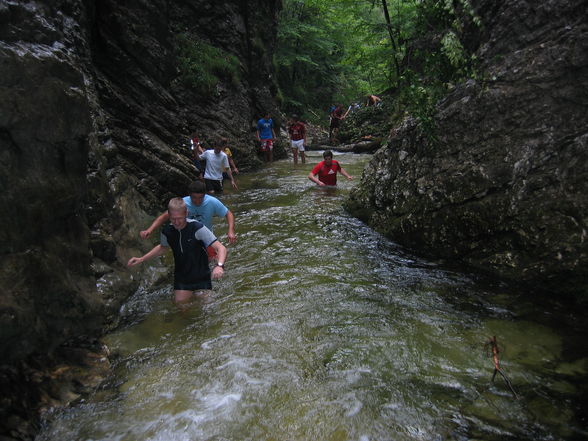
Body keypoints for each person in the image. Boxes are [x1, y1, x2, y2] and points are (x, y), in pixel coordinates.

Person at [128, 198, 227, 304]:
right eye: (173, 218)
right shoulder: (167, 231)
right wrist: (141, 259)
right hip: (182, 276)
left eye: (179, 218)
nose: (176, 222)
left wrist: (219, 266)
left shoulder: (197, 228)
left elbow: (221, 248)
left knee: (207, 308)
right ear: (169, 216)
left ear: (186, 213)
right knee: (181, 307)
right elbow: (163, 247)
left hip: (201, 275)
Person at [140, 181, 237, 258]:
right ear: (189, 195)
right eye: (194, 198)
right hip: (187, 237)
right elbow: (163, 217)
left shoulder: (212, 201)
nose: (198, 201)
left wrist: (231, 230)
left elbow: (228, 213)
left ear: (205, 195)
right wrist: (150, 230)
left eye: (201, 198)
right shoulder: (182, 204)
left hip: (206, 236)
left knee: (215, 258)